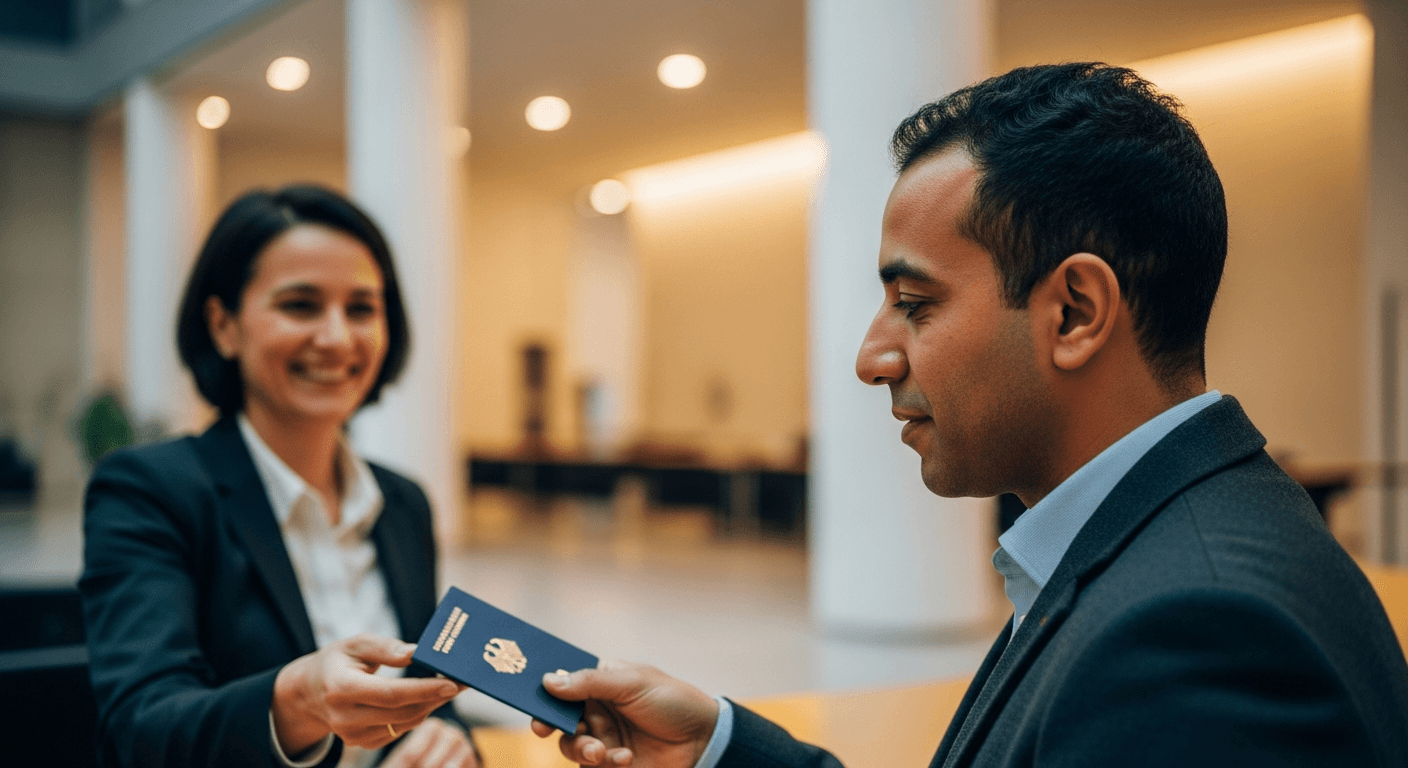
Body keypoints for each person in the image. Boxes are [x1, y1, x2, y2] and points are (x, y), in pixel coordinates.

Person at [529, 63, 1408, 766]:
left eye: (915, 302)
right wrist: (720, 748)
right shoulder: (1170, 541)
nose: (873, 358)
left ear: (1073, 313)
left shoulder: (1194, 639)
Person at [80, 185, 479, 768]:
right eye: (301, 305)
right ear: (224, 326)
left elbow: (428, 681)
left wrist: (446, 736)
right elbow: (142, 730)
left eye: (362, 308)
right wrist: (296, 700)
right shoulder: (149, 489)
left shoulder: (402, 503)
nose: (338, 338)